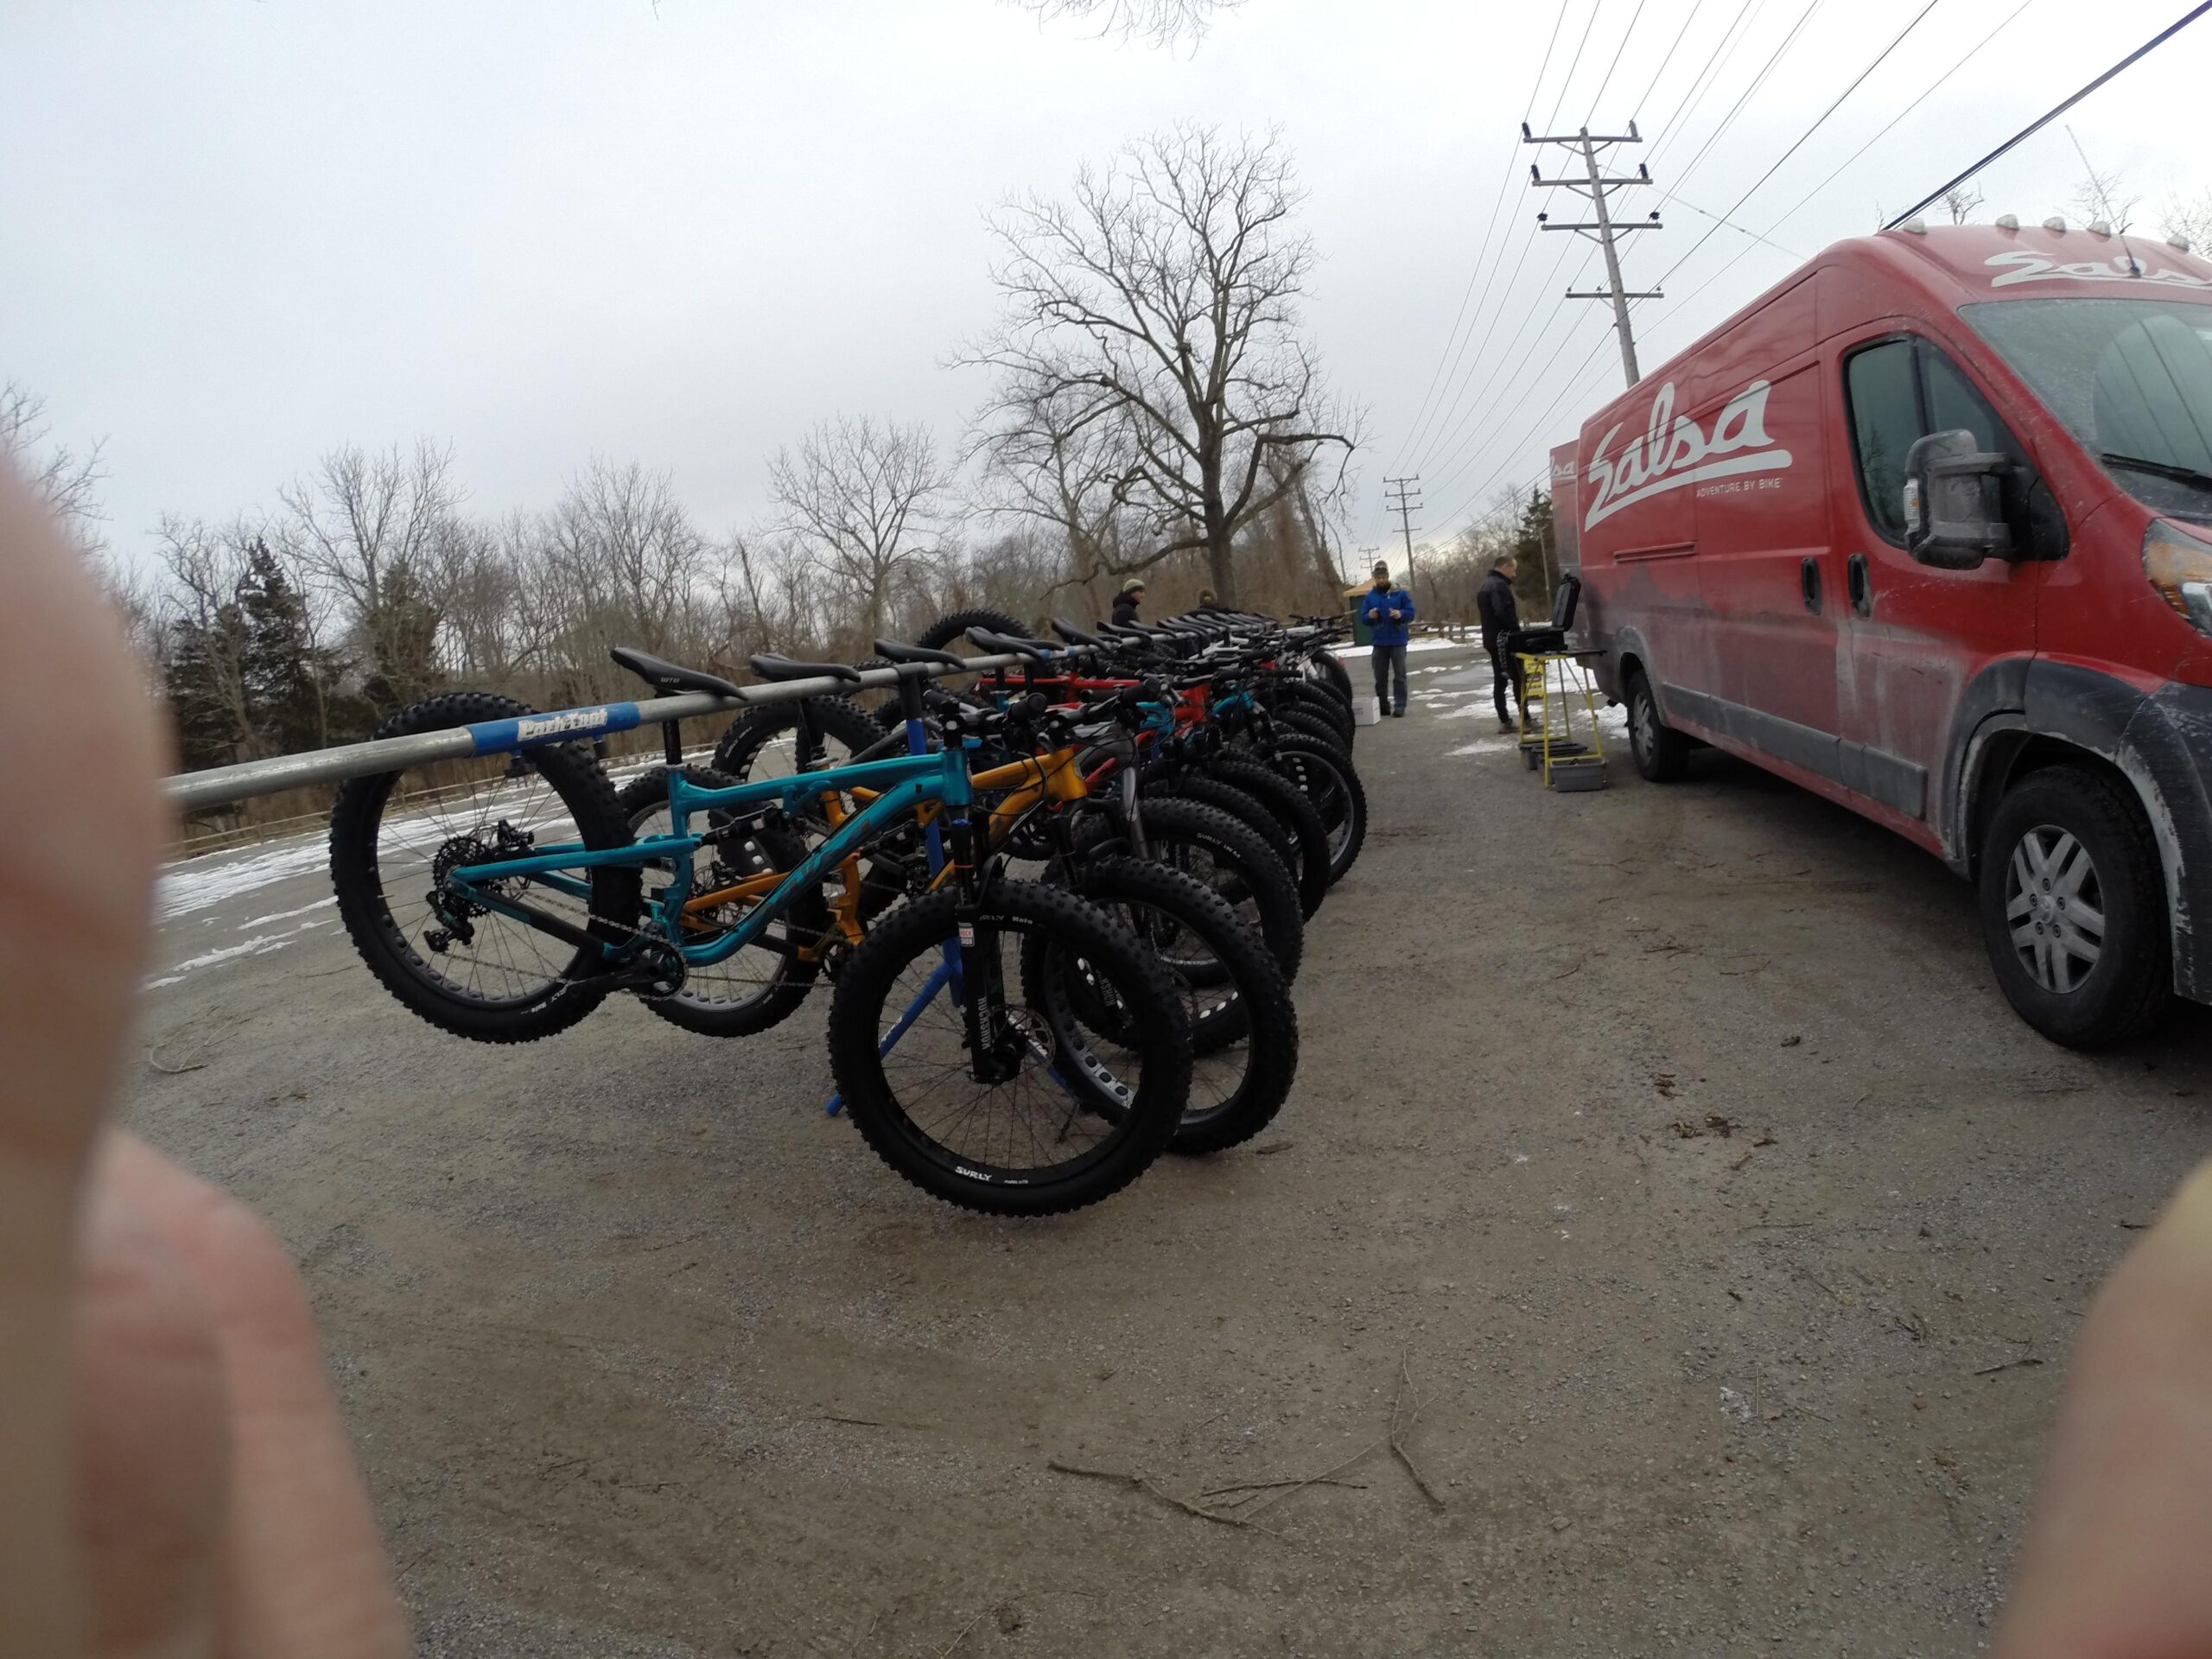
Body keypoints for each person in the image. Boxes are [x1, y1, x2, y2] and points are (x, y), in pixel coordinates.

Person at [9, 467, 2212, 1657]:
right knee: (745, 861)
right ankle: (630, 906)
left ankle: (816, 930)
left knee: (920, 838)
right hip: (550, 879)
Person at [1358, 561, 1414, 716]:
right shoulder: (1370, 597)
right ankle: (1383, 705)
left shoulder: (1400, 593)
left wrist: (1401, 614)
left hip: (1398, 640)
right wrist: (1370, 615)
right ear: (1374, 579)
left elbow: (1411, 612)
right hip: (1379, 642)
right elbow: (1362, 617)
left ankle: (1400, 706)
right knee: (1380, 676)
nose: (1381, 580)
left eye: (1383, 577)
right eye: (1378, 578)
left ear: (1387, 577)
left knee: (1400, 675)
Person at [1478, 553, 1524, 733]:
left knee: (1501, 678)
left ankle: (1505, 719)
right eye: (1513, 569)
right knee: (1517, 677)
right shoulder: (1498, 586)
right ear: (1505, 566)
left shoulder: (1486, 585)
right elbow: (1502, 612)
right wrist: (1515, 631)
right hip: (1503, 639)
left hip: (1492, 639)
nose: (1514, 574)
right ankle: (1522, 718)